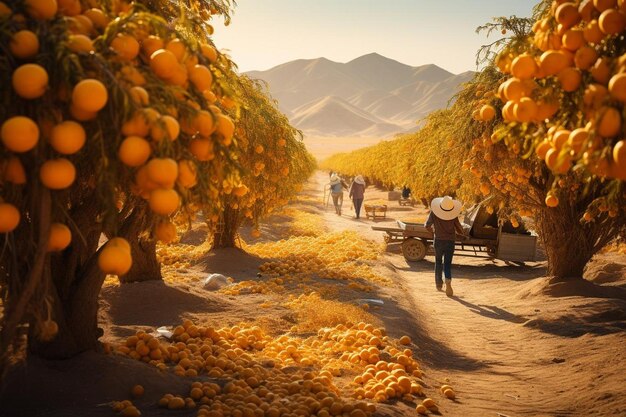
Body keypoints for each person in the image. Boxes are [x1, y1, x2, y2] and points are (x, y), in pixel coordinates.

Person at [424, 196, 465, 297]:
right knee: (447, 263)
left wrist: (434, 231)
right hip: (450, 241)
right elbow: (459, 228)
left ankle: (438, 284)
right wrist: (461, 232)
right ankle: (448, 279)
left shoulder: (434, 213)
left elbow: (427, 225)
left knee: (438, 262)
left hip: (438, 240)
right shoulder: (453, 215)